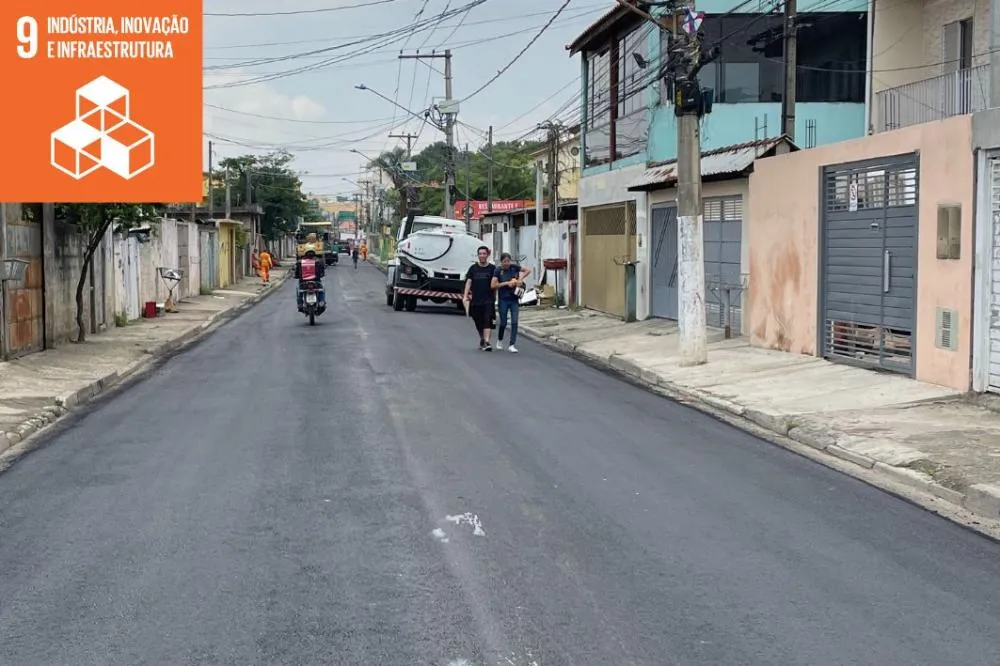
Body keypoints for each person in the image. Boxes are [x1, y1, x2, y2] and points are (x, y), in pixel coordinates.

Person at [491, 252, 531, 353]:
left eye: (508, 261)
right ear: (501, 262)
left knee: (514, 322)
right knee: (503, 322)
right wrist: (507, 283)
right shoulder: (498, 271)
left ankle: (512, 344)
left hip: (514, 299)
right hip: (503, 299)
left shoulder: (514, 267)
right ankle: (500, 339)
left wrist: (519, 279)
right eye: (504, 262)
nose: (506, 263)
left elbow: (527, 270)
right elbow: (493, 285)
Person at [463, 246, 497, 351]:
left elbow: (495, 283)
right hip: (476, 299)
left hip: (488, 299)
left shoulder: (492, 269)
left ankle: (487, 342)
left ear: (487, 255)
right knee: (478, 321)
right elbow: (469, 282)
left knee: (487, 320)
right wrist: (465, 295)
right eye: (480, 254)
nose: (482, 255)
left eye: (484, 254)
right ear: (478, 255)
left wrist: (495, 298)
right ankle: (482, 339)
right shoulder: (473, 268)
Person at [294, 247, 326, 311]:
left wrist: (296, 276)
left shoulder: (300, 262)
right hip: (316, 281)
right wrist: (321, 274)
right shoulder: (318, 261)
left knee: (299, 292)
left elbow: (296, 272)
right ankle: (321, 302)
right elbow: (322, 271)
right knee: (321, 291)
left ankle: (300, 304)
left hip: (303, 282)